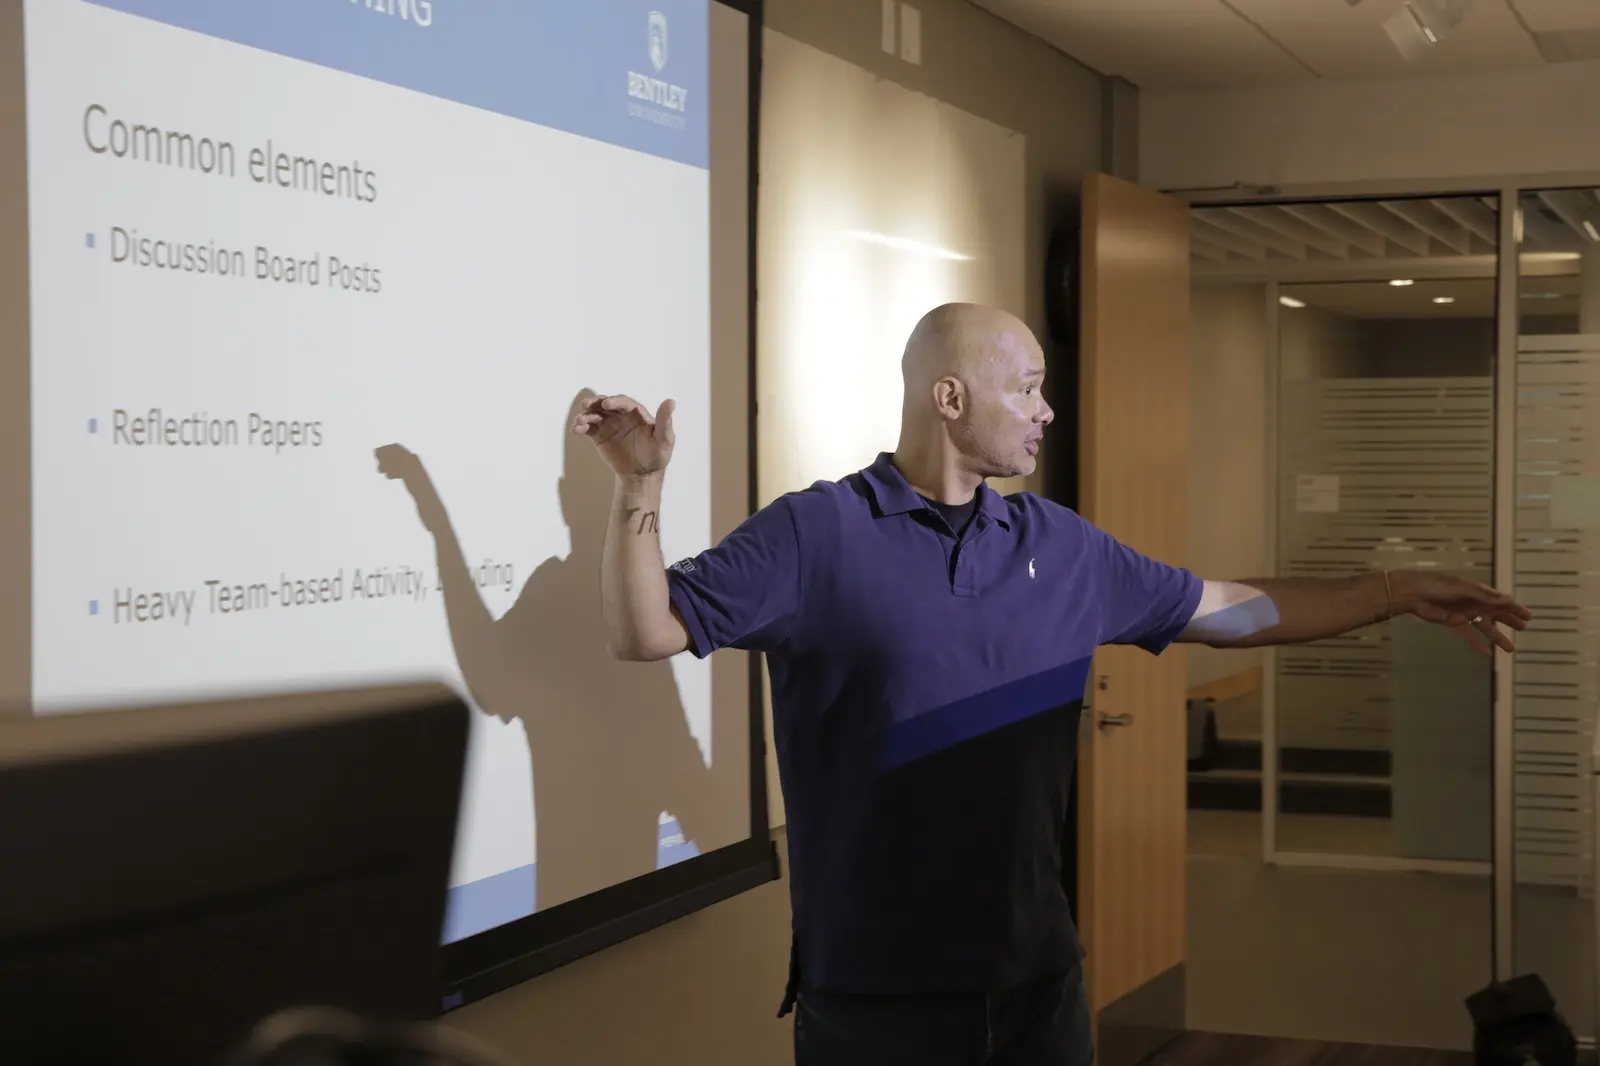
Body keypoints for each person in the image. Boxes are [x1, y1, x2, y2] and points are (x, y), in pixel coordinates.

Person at [570, 302, 1531, 1066]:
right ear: (949, 398)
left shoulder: (1060, 546)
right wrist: (639, 491)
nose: (1046, 410)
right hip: (875, 1000)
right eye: (1027, 388)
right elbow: (644, 628)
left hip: (1039, 984)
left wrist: (1397, 592)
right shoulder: (813, 535)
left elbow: (1229, 609)